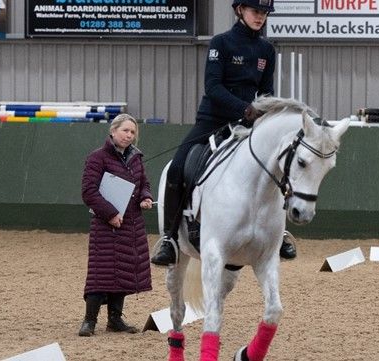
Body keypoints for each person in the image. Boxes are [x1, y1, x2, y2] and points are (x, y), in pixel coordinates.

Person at [150, 0, 296, 266]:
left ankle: (279, 231)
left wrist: (267, 110)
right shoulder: (221, 43)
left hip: (251, 123)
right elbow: (213, 86)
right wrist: (244, 108)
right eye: (256, 11)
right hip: (213, 119)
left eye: (264, 13)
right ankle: (170, 239)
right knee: (178, 168)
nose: (260, 17)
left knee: (278, 163)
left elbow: (266, 91)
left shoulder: (266, 49)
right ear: (240, 10)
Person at [78, 114, 154, 336]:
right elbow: (88, 192)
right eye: (125, 131)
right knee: (99, 274)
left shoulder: (136, 159)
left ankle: (115, 320)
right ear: (113, 131)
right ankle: (89, 321)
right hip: (106, 225)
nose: (129, 135)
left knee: (123, 273)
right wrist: (110, 214)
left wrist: (145, 197)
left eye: (132, 132)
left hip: (131, 225)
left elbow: (144, 184)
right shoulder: (97, 158)